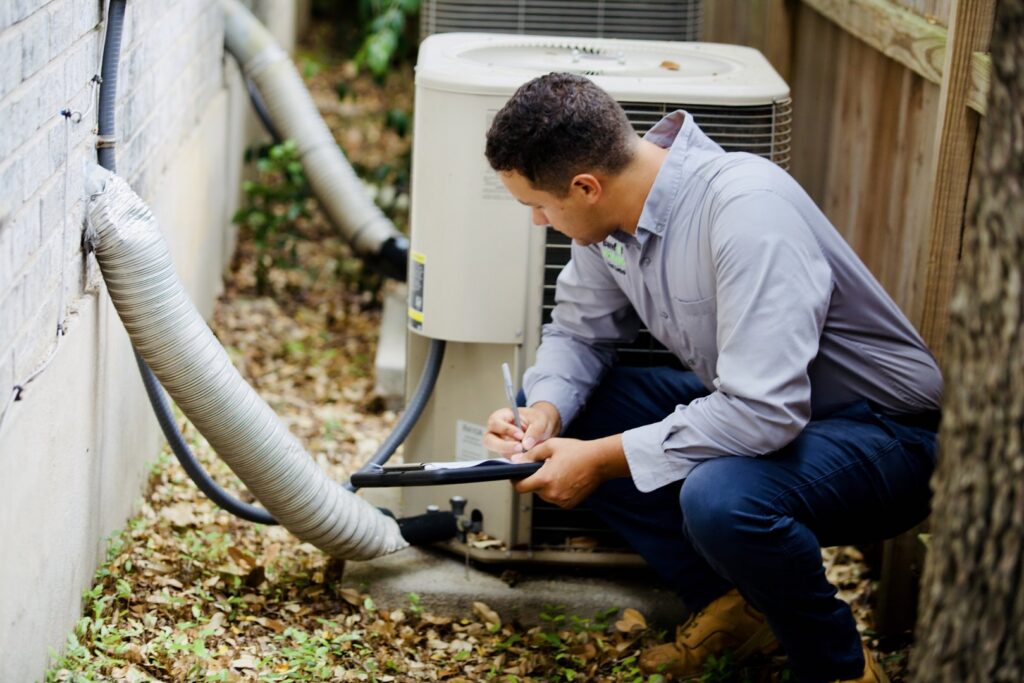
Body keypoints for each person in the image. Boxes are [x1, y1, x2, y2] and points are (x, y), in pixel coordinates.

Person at [481, 73, 941, 683]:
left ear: (585, 186)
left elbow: (763, 414)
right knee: (575, 409)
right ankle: (742, 604)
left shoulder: (746, 212)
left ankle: (840, 668)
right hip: (772, 416)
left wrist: (598, 459)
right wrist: (542, 412)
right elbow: (579, 334)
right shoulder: (606, 224)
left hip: (884, 436)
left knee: (723, 499)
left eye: (538, 204)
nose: (539, 220)